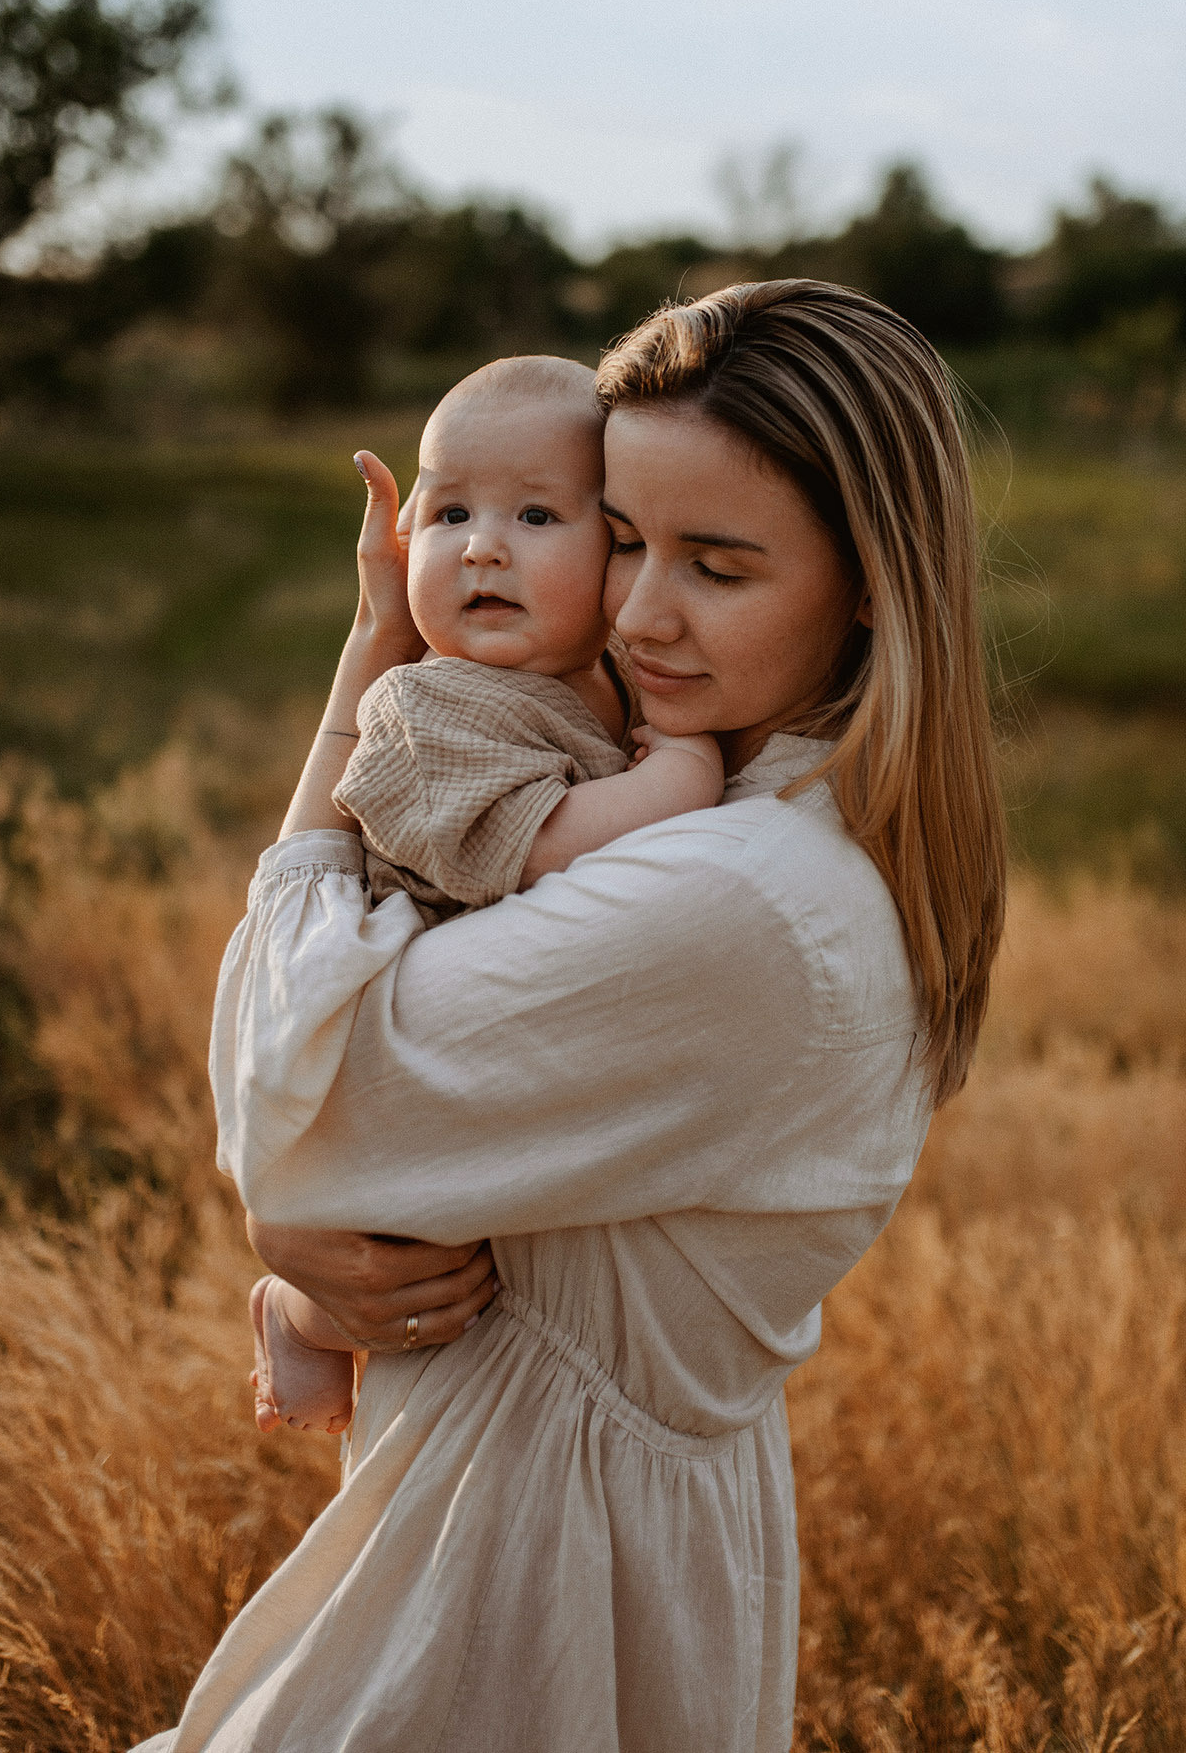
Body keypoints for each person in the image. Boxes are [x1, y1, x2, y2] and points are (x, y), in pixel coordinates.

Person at [136, 279, 1005, 1752]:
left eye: (716, 566)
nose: (639, 613)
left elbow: (290, 1099)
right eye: (621, 539)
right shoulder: (753, 814)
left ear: (872, 580)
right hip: (580, 1529)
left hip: (518, 1568)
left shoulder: (735, 895)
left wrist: (364, 670)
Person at [250, 353, 723, 1436]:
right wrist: (681, 778)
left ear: (618, 548)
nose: (483, 547)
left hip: (514, 1046)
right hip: (395, 1063)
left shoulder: (604, 679)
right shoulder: (427, 706)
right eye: (450, 512)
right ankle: (298, 1314)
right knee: (410, 1256)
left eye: (537, 516)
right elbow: (537, 843)